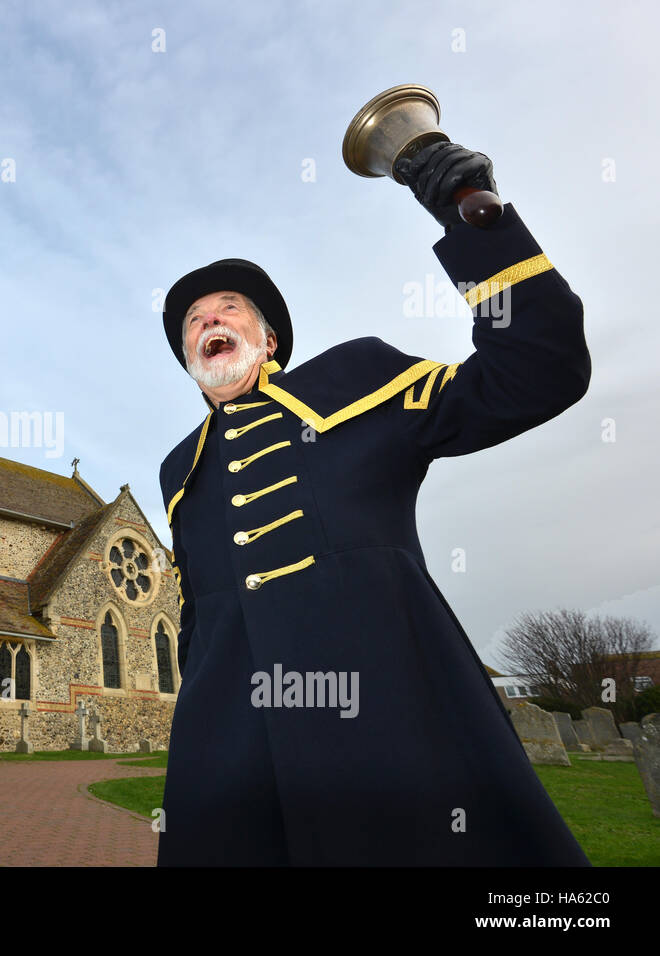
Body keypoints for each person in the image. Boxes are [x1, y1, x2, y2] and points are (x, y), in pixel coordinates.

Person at [156, 142, 591, 866]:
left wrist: (471, 219)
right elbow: (198, 617)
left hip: (392, 713)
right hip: (232, 746)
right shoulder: (182, 468)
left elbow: (537, 373)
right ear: (193, 368)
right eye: (193, 322)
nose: (208, 320)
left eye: (229, 308)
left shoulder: (355, 379)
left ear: (270, 342)